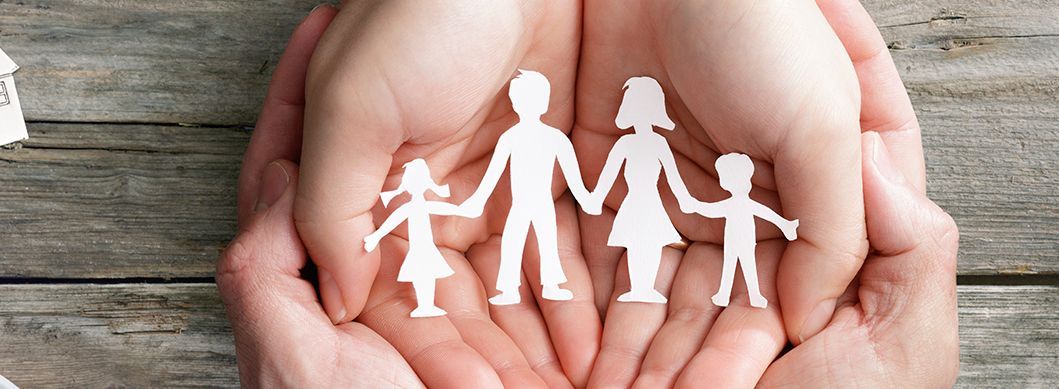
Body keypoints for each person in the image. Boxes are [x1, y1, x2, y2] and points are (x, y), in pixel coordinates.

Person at [220, 1, 959, 387]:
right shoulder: (522, 139)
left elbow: (619, 180)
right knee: (519, 254)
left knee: (544, 250)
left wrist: (597, 186)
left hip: (594, 209)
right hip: (538, 206)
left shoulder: (580, 141)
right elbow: (562, 174)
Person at [457, 69, 596, 306]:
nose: (523, 104)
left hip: (542, 202)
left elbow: (573, 175)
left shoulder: (555, 138)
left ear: (544, 103)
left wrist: (585, 198)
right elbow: (493, 172)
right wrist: (478, 200)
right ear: (515, 103)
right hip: (520, 203)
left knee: (547, 242)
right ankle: (509, 289)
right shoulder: (510, 137)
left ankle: (551, 285)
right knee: (513, 241)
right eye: (519, 99)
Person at [586, 76, 697, 304]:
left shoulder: (659, 143)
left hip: (651, 200)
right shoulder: (624, 143)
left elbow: (673, 175)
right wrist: (596, 198)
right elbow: (609, 173)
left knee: (653, 243)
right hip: (633, 200)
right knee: (636, 243)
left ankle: (647, 288)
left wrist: (685, 199)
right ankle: (638, 288)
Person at [688, 153, 799, 309]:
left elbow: (765, 213)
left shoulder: (741, 204)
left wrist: (696, 206)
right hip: (733, 240)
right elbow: (712, 210)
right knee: (732, 265)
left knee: (745, 265)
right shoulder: (733, 204)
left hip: (745, 240)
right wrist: (696, 206)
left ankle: (751, 295)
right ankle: (725, 295)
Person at [363, 159, 458, 318]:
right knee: (422, 275)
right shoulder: (409, 207)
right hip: (419, 249)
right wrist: (375, 237)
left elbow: (445, 208)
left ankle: (427, 306)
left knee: (428, 275)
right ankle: (424, 306)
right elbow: (391, 223)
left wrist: (462, 210)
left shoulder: (421, 205)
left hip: (426, 248)